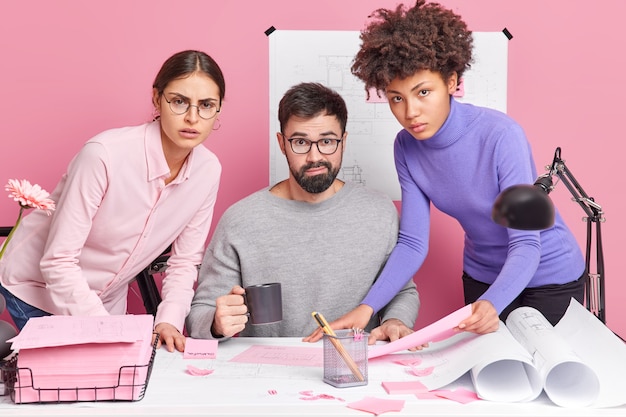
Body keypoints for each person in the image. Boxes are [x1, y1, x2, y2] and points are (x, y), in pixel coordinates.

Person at [320, 0, 586, 336]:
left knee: (549, 377)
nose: (410, 112)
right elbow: (413, 243)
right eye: (396, 98)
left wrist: (494, 303)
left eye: (423, 92)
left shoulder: (501, 135)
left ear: (451, 81)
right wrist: (367, 307)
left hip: (549, 276)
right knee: (488, 379)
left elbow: (526, 243)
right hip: (481, 275)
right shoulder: (406, 146)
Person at [0, 50, 225, 352]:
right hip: (36, 288)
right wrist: (106, 331)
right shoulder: (104, 154)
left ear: (219, 109)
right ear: (157, 99)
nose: (193, 117)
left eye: (206, 105)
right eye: (179, 101)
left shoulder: (208, 171)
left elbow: (184, 261)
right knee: (77, 386)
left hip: (105, 305)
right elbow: (58, 261)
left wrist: (168, 320)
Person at [186, 82, 419, 345]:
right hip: (268, 373)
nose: (314, 156)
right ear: (281, 143)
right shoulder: (240, 220)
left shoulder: (379, 212)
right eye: (300, 142)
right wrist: (216, 324)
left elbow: (402, 290)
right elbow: (199, 314)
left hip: (353, 369)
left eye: (327, 142)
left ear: (344, 141)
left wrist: (394, 321)